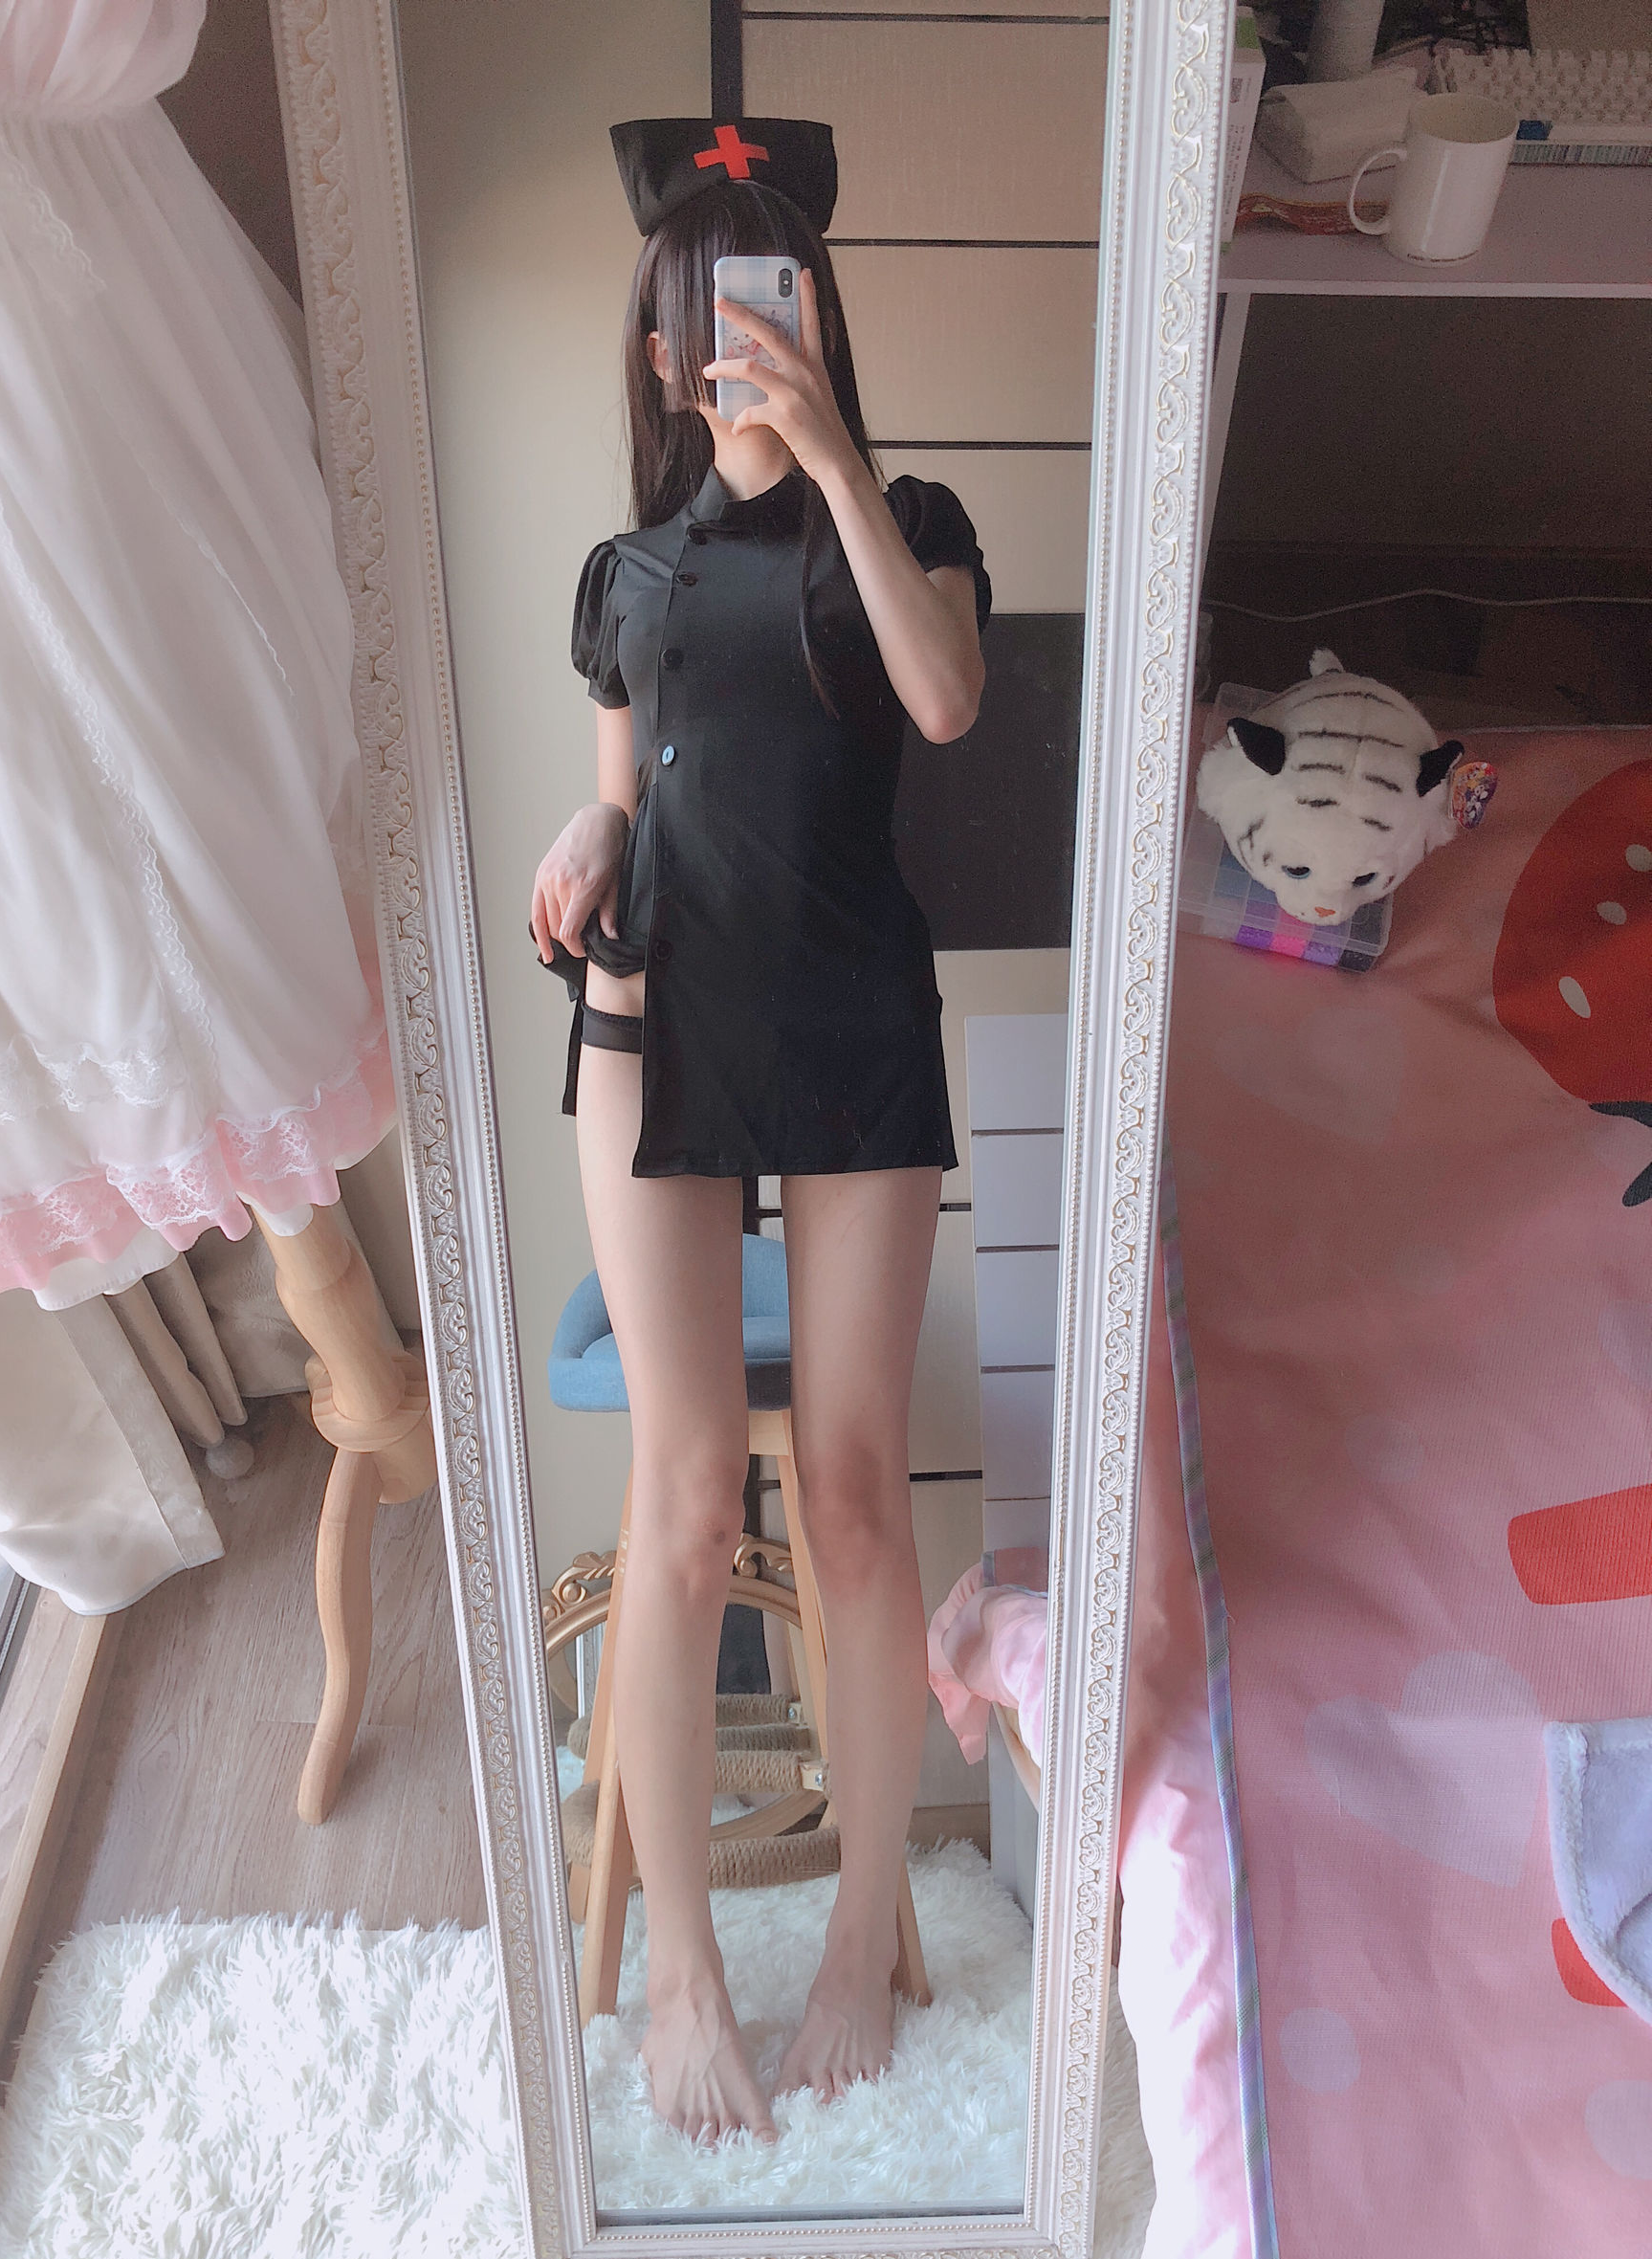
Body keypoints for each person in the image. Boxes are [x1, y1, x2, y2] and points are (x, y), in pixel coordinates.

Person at [529, 117, 989, 2145]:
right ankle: (684, 1975)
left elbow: (943, 699)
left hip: (854, 1014)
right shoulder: (622, 574)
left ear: (817, 315)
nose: (734, 340)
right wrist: (587, 823)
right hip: (655, 1016)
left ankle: (866, 1922)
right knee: (690, 1497)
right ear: (661, 355)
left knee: (861, 1490)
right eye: (702, 318)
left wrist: (832, 459)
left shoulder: (916, 514)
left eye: (770, 300)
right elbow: (634, 783)